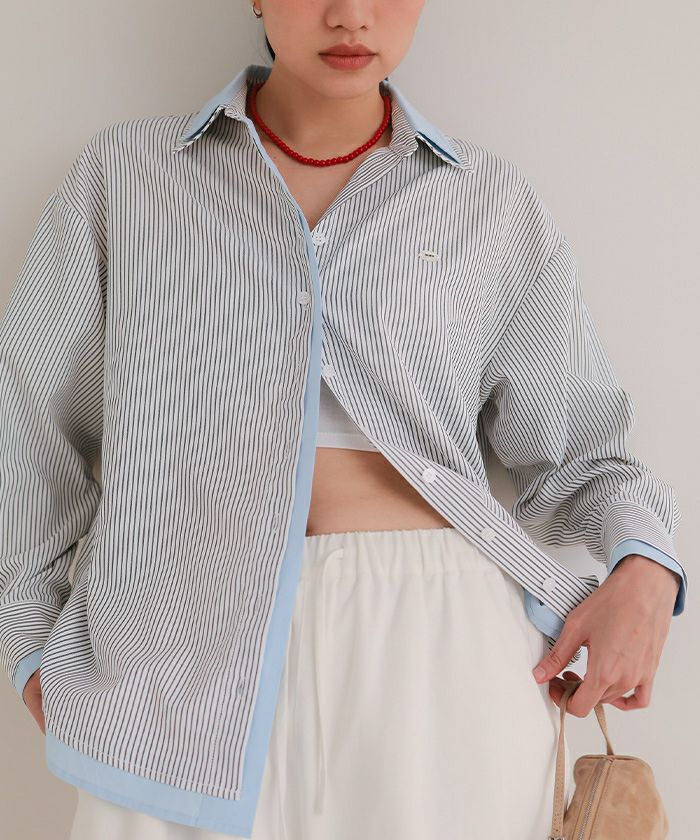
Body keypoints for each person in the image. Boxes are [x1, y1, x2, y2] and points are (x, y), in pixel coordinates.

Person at [0, 1, 687, 839]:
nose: (350, 15)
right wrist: (30, 645)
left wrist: (646, 570)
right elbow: (28, 430)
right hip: (169, 667)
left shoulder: (486, 201)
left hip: (440, 651)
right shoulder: (126, 177)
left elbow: (580, 450)